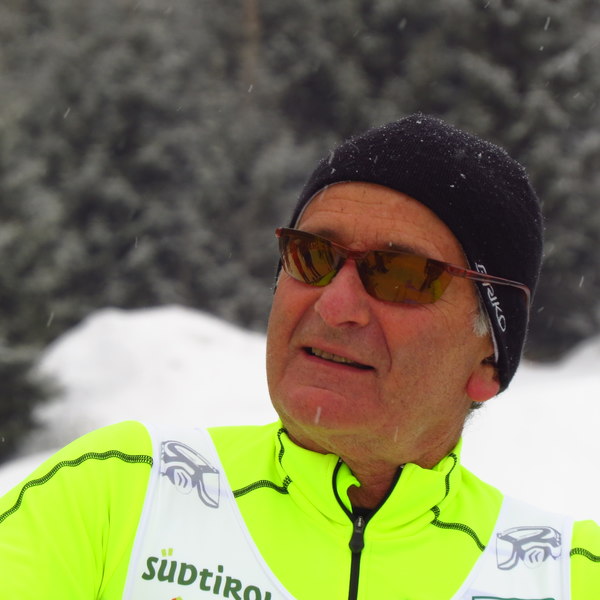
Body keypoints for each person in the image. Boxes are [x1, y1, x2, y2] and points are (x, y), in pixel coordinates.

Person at [1, 114, 599, 599]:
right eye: (313, 256)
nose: (336, 306)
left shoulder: (570, 576)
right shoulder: (117, 493)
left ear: (489, 360)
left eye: (400, 273)